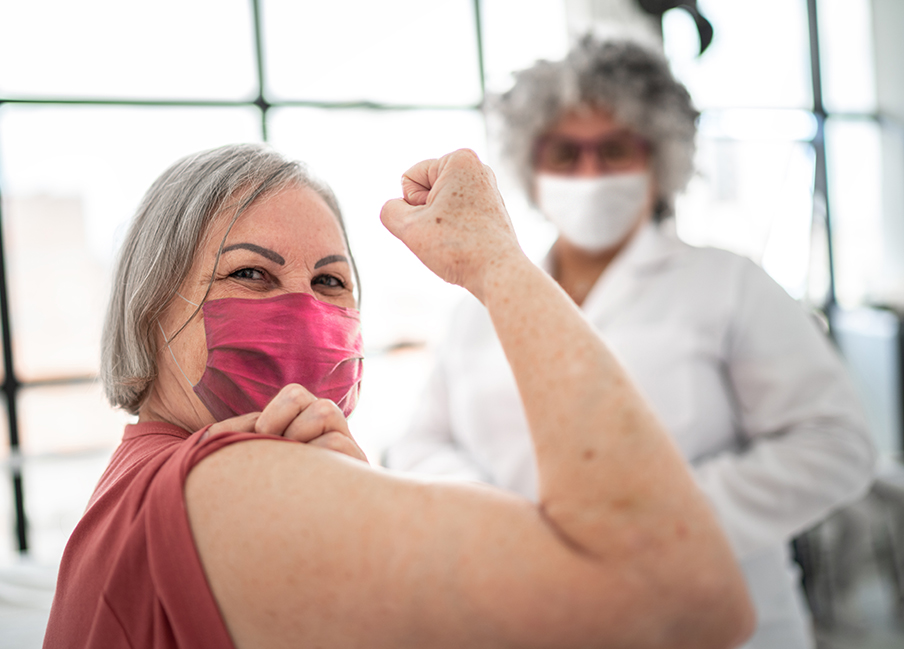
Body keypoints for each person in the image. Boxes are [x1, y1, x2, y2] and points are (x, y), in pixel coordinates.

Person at [44, 142, 754, 648]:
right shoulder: (224, 481)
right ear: (149, 307)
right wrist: (495, 260)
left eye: (330, 282)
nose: (302, 309)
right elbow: (679, 599)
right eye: (252, 275)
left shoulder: (142, 481)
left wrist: (343, 487)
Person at [385, 36, 875, 649]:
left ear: (658, 161)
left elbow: (835, 444)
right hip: (533, 611)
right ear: (529, 167)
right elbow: (420, 444)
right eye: (565, 153)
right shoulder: (477, 305)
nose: (589, 174)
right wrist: (508, 526)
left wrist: (655, 523)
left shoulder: (729, 284)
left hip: (719, 623)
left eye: (614, 151)